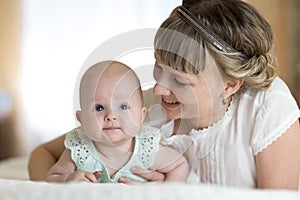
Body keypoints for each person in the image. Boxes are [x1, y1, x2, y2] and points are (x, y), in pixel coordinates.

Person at [29, 0, 300, 189]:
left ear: (229, 85)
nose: (158, 88)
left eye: (179, 81)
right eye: (158, 68)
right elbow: (43, 154)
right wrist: (63, 188)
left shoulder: (266, 106)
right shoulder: (138, 108)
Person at [45, 61, 188, 183]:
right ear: (81, 119)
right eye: (99, 108)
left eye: (123, 107)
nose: (111, 116)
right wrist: (68, 179)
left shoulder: (147, 148)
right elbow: (52, 177)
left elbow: (179, 165)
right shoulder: (79, 150)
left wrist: (164, 191)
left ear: (141, 115)